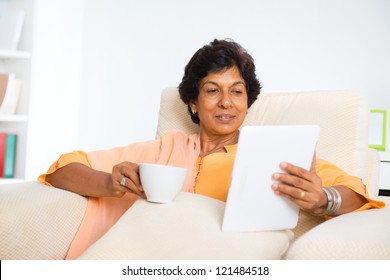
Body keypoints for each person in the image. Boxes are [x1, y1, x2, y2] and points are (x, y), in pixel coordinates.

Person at [39, 39, 385, 259]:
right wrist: (110, 184)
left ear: (248, 102)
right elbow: (63, 168)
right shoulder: (165, 149)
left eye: (237, 91)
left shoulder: (271, 152)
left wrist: (325, 199)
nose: (226, 103)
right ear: (192, 102)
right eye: (212, 90)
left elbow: (359, 193)